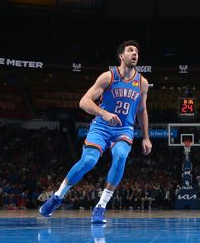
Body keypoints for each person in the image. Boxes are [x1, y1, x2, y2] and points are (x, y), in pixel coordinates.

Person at [39, 40, 151, 224]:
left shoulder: (142, 83)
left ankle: (101, 206)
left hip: (124, 128)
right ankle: (57, 197)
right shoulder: (108, 77)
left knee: (121, 155)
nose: (135, 53)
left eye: (137, 51)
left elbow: (142, 110)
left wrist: (146, 137)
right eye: (130, 50)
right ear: (121, 56)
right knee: (89, 161)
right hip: (101, 126)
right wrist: (104, 113)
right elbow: (84, 102)